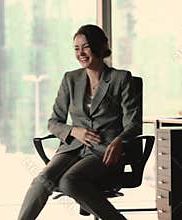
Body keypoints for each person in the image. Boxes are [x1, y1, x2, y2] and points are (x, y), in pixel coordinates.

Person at [17, 24, 141, 220]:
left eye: (85, 47)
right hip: (72, 147)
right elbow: (53, 122)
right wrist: (75, 131)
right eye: (76, 48)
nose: (80, 53)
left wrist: (119, 142)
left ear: (101, 46)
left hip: (104, 150)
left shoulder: (121, 78)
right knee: (42, 180)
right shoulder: (70, 79)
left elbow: (134, 123)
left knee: (69, 181)